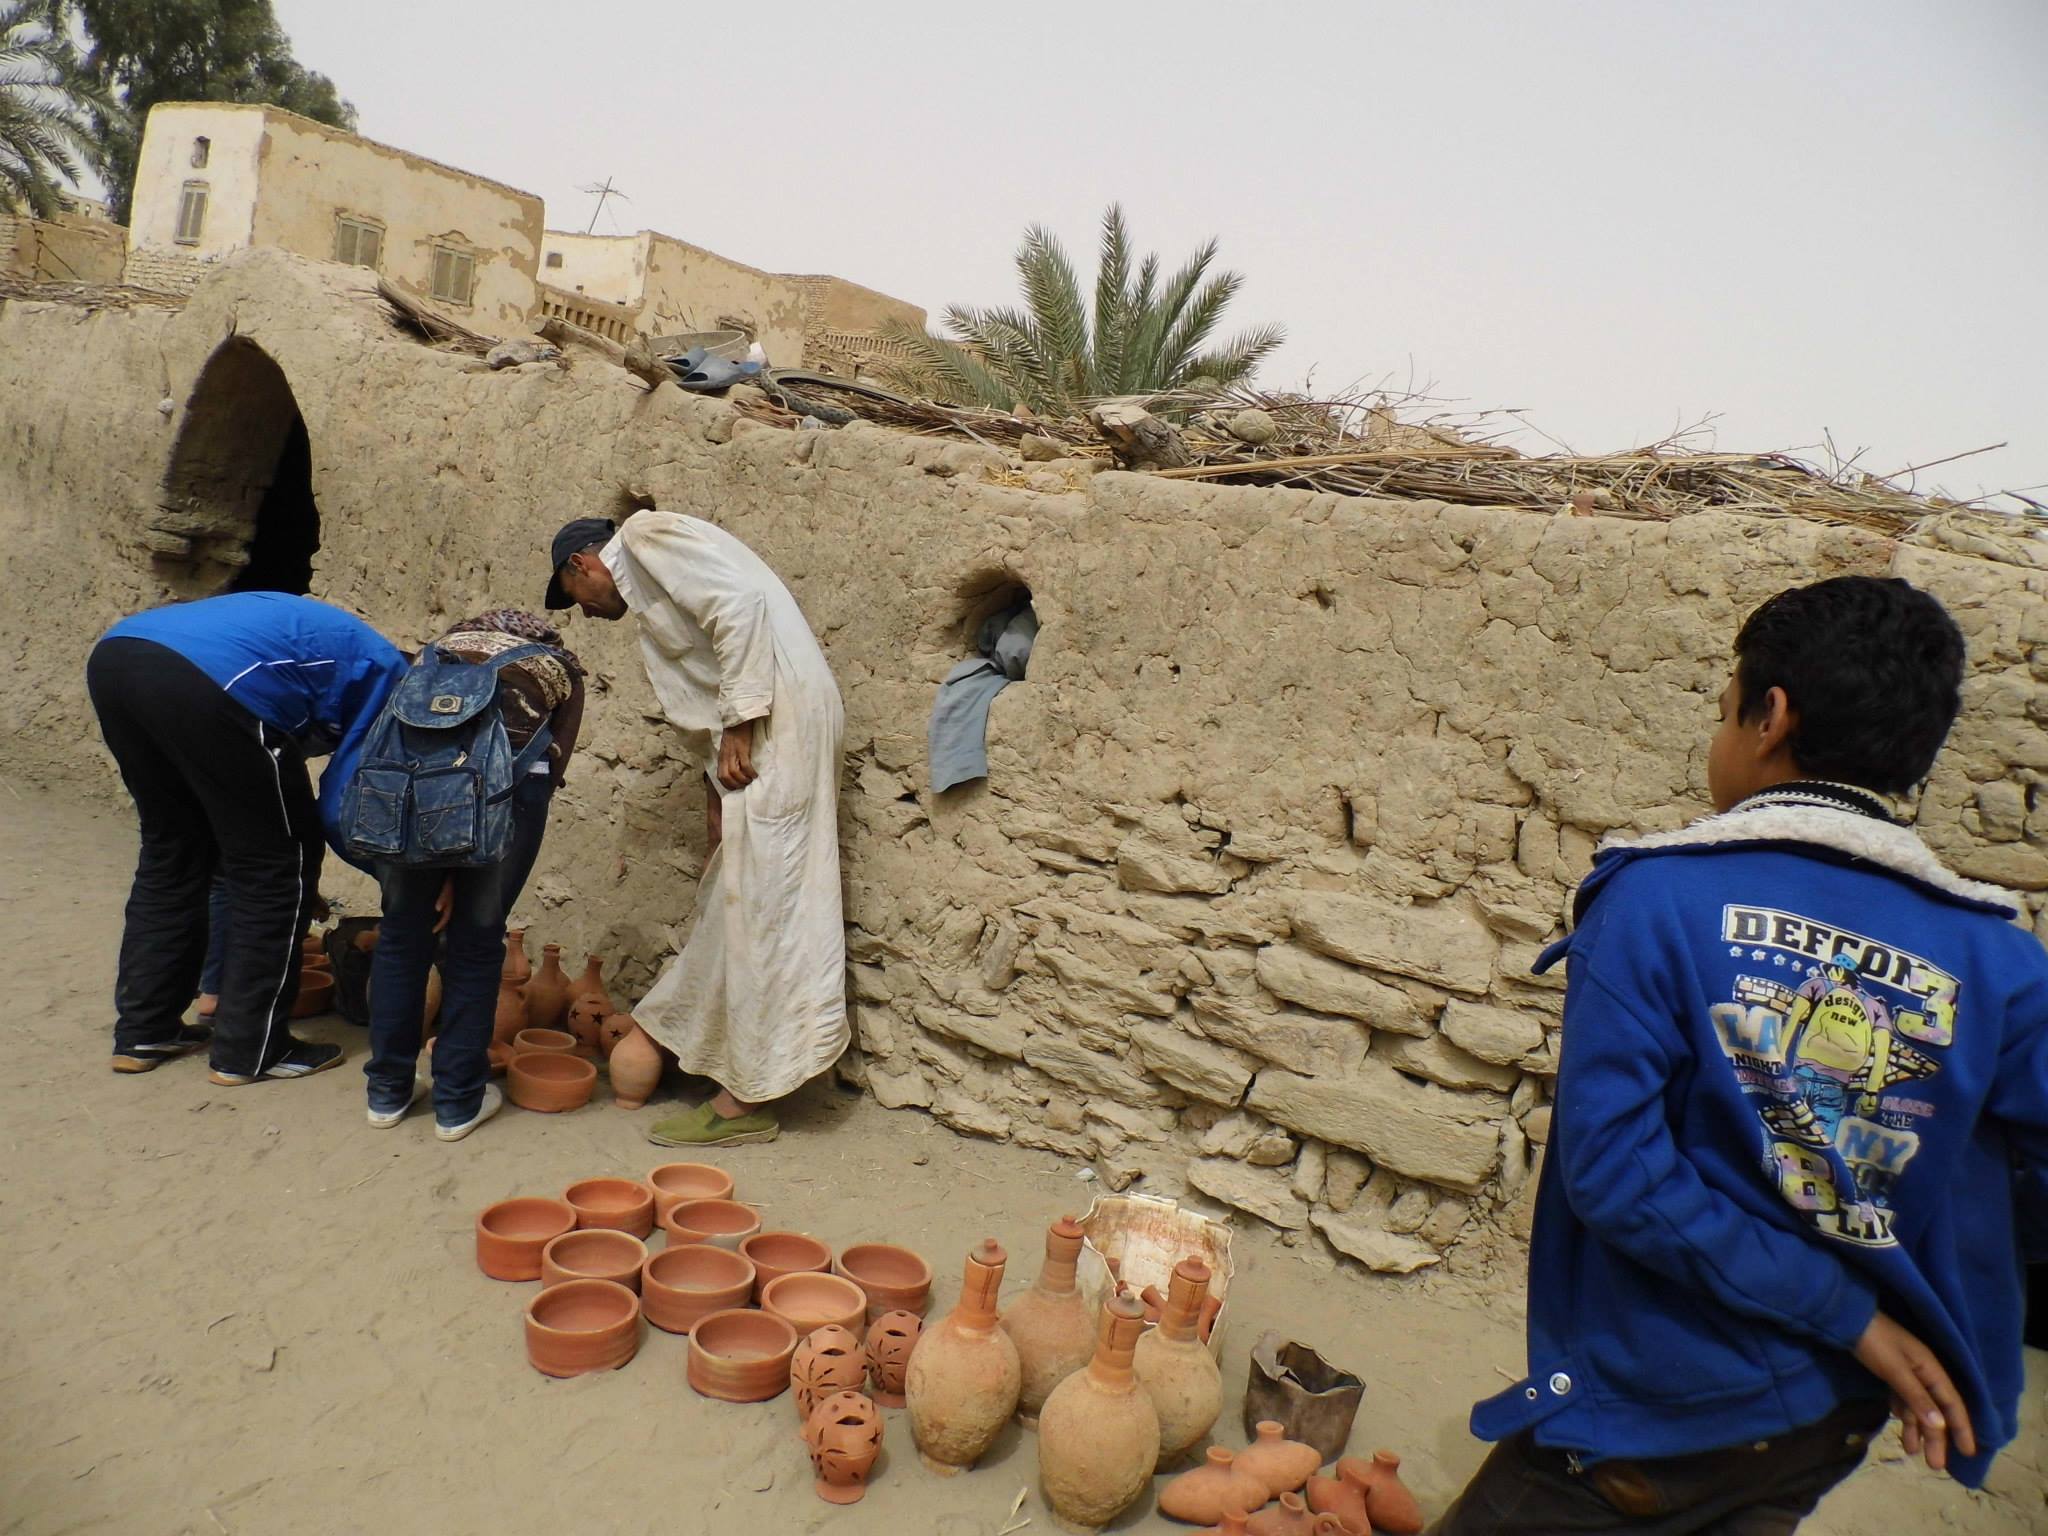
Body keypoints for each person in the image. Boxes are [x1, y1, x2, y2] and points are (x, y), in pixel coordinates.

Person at [1433, 576, 2048, 1533]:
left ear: (1772, 718)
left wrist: (1843, 1312)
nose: (1718, 738)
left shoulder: (1655, 903)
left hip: (1663, 1405)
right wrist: (1912, 1322)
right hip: (1831, 1419)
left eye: (1726, 712)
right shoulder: (2002, 960)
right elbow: (2025, 1195)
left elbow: (1615, 1174)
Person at [544, 511, 847, 1148]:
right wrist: (715, 788)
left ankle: (749, 1098)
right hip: (771, 723)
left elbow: (739, 608)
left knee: (766, 907)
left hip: (778, 723)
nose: (587, 613)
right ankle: (734, 1069)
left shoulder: (646, 537)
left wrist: (741, 722)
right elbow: (703, 678)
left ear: (582, 565)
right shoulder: (649, 575)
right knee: (746, 900)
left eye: (576, 598)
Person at [87, 591, 407, 1084]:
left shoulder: (336, 655)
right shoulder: (389, 680)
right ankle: (253, 1049)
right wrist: (396, 881)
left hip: (119, 658)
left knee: (173, 853)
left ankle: (144, 1031)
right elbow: (343, 799)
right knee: (278, 866)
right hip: (215, 681)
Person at [360, 610, 585, 1140]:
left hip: (410, 792)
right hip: (506, 792)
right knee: (477, 942)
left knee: (400, 936)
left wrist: (436, 858)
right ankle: (457, 1102)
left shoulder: (434, 653)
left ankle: (387, 1095)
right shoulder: (559, 668)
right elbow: (555, 763)